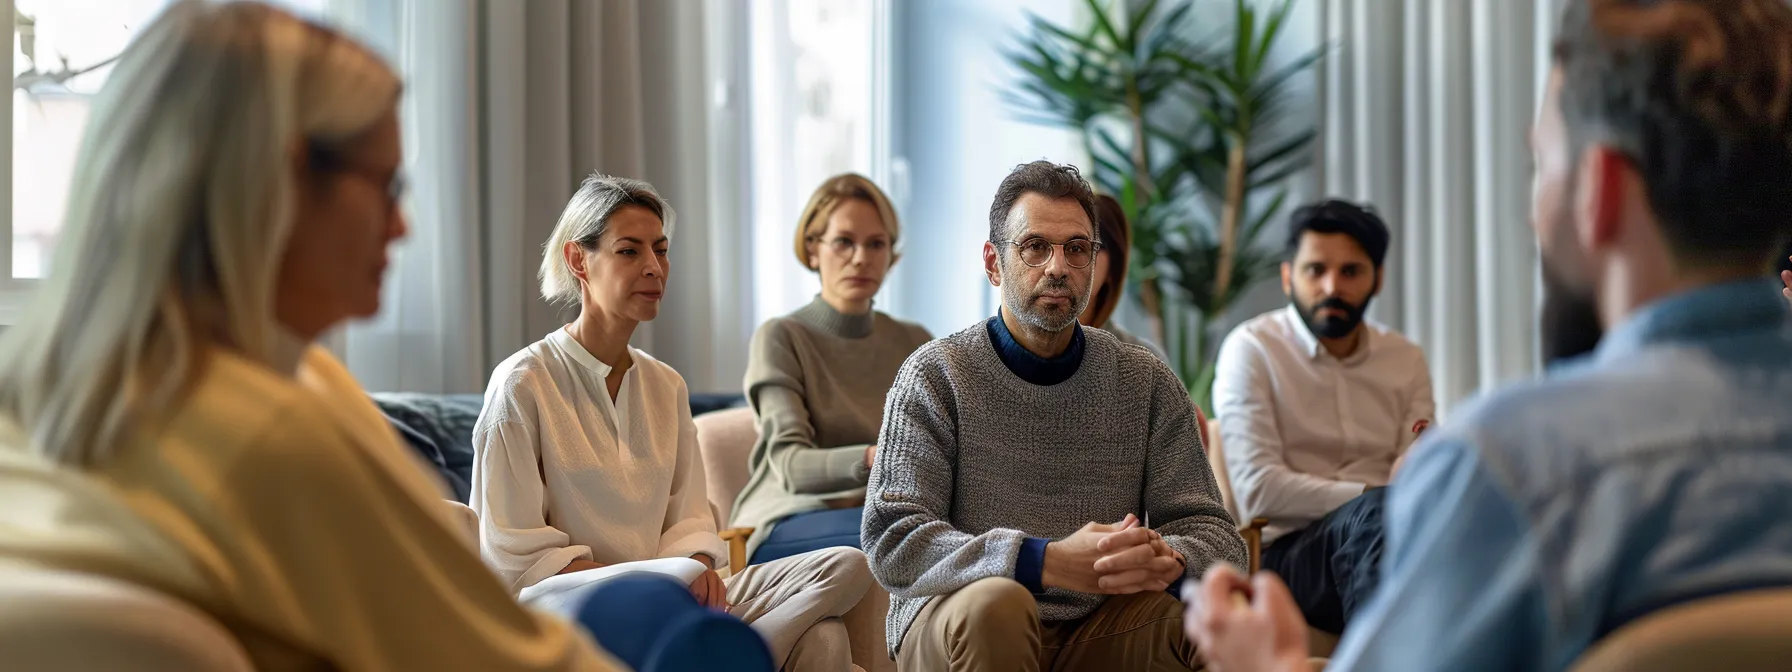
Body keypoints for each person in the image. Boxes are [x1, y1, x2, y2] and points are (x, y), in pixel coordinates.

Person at [0, 3, 773, 671]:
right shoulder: (276, 429)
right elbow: (494, 651)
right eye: (386, 184)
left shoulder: (45, 389)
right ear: (280, 179)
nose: (401, 225)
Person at [1187, 1, 1792, 670]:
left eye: (1541, 164)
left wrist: (1265, 666)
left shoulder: (1513, 469)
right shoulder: (1260, 351)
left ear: (1600, 190)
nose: (1534, 211)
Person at [471, 173, 874, 672]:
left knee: (847, 566)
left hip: (676, 589)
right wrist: (661, 580)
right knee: (821, 638)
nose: (654, 268)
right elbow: (515, 551)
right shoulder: (522, 383)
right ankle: (729, 653)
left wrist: (697, 567)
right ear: (579, 259)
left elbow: (690, 520)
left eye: (660, 250)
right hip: (575, 602)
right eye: (629, 251)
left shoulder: (667, 386)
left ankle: (729, 655)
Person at [862, 160, 1248, 671]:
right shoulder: (936, 375)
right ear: (994, 263)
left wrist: (1164, 557)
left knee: (1213, 618)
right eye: (1035, 247)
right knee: (1000, 603)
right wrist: (1042, 561)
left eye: (1076, 248)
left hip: (1097, 629)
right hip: (959, 619)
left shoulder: (1145, 380)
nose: (1058, 266)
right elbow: (894, 539)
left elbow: (1218, 538)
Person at [1210, 199, 1434, 634]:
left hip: (1394, 534)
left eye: (1351, 272)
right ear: (1288, 276)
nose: (1333, 286)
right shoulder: (1252, 349)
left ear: (1378, 279)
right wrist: (1375, 492)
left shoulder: (1405, 359)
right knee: (1380, 513)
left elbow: (1418, 475)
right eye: (1316, 270)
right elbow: (1259, 492)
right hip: (1291, 559)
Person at [731, 174, 932, 565]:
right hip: (789, 515)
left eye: (876, 244)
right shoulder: (781, 337)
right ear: (812, 250)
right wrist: (879, 457)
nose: (860, 257)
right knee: (905, 536)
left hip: (884, 511)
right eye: (844, 241)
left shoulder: (914, 340)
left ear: (891, 256)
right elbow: (791, 467)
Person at [1080, 193, 1169, 362]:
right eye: (1039, 246)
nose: (1056, 265)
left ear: (1113, 266)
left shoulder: (1144, 363)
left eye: (1078, 248)